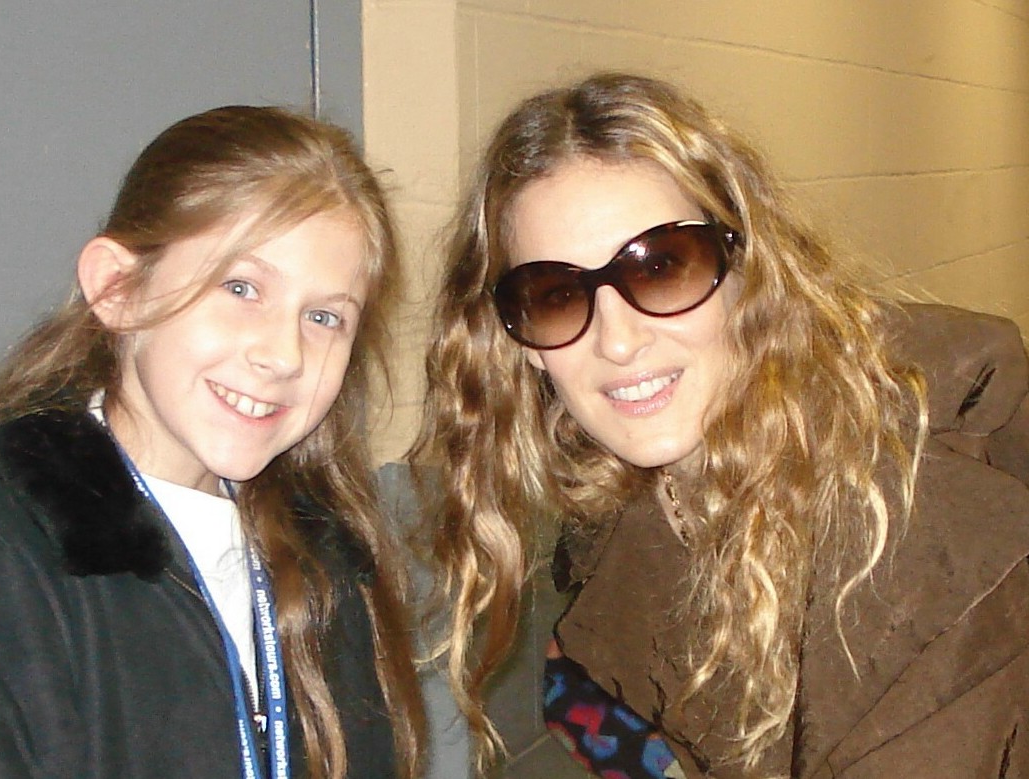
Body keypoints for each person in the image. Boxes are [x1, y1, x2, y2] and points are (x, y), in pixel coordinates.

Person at [413, 72, 1029, 778]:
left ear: (749, 267)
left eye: (663, 266)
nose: (617, 341)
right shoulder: (629, 512)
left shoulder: (923, 533)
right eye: (555, 294)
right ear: (516, 339)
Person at [0, 105, 425, 779]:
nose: (284, 353)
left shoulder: (323, 566)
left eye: (325, 316)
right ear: (118, 288)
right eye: (241, 286)